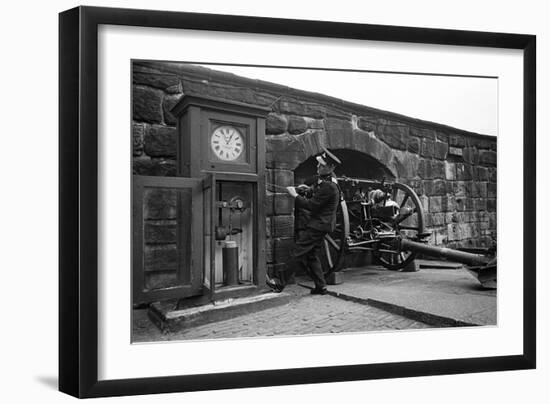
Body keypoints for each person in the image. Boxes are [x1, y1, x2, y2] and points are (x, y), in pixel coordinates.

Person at [266, 147, 342, 295]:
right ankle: (321, 287)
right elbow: (318, 194)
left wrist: (295, 195)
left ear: (331, 167)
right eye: (318, 164)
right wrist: (307, 190)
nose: (318, 167)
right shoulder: (327, 181)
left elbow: (312, 206)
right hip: (322, 225)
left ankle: (279, 283)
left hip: (318, 226)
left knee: (297, 252)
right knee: (312, 255)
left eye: (322, 165)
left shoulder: (329, 186)